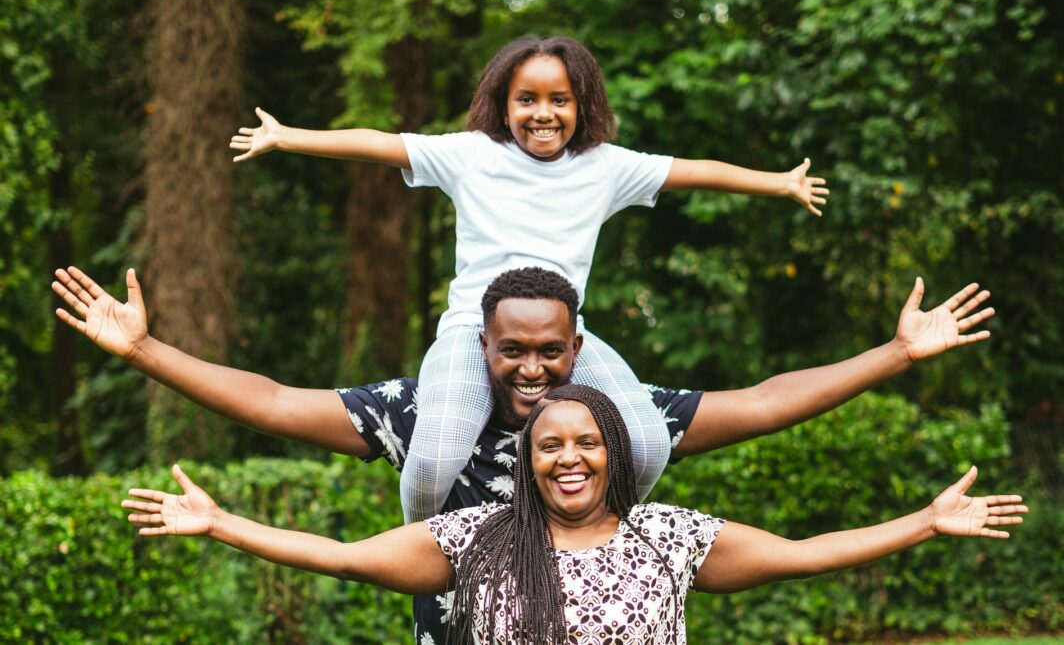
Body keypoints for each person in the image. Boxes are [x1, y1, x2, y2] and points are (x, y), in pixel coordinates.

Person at [53, 264, 994, 643]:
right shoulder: (426, 421)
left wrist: (899, 353)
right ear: (483, 347)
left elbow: (762, 405)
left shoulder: (631, 450)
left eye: (553, 350)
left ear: (578, 352)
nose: (534, 367)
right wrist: (144, 351)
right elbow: (270, 402)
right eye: (515, 350)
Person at [228, 36, 832, 525]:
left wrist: (777, 182)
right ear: (503, 103)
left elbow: (694, 171)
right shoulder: (471, 154)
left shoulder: (606, 167)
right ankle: (421, 551)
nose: (543, 113)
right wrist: (287, 137)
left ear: (582, 104)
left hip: (567, 338)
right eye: (527, 100)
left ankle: (598, 544)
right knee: (436, 454)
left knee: (646, 442)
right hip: (475, 331)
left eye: (559, 100)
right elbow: (380, 144)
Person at [122, 384, 1025, 644]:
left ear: (615, 453)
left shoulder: (670, 536)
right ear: (528, 459)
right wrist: (224, 522)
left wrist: (922, 521)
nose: (568, 456)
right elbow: (348, 556)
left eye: (586, 441)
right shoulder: (476, 537)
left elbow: (803, 553)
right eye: (549, 444)